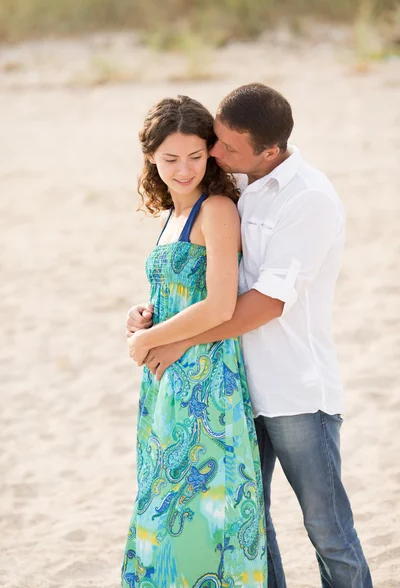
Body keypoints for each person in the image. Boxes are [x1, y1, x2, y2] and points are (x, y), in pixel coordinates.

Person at [127, 83, 373, 588]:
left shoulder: (308, 200)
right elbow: (207, 277)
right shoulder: (243, 187)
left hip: (293, 389)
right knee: (249, 528)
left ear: (270, 151)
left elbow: (265, 302)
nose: (213, 154)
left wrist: (176, 341)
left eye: (222, 148)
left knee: (327, 531)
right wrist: (154, 315)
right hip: (235, 385)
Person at [121, 95, 267, 588]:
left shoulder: (218, 209)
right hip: (168, 381)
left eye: (195, 156)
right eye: (170, 159)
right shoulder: (172, 215)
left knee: (198, 516)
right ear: (150, 159)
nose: (183, 170)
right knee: (163, 509)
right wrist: (144, 317)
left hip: (206, 383)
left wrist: (149, 343)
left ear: (210, 154)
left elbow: (221, 304)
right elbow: (182, 294)